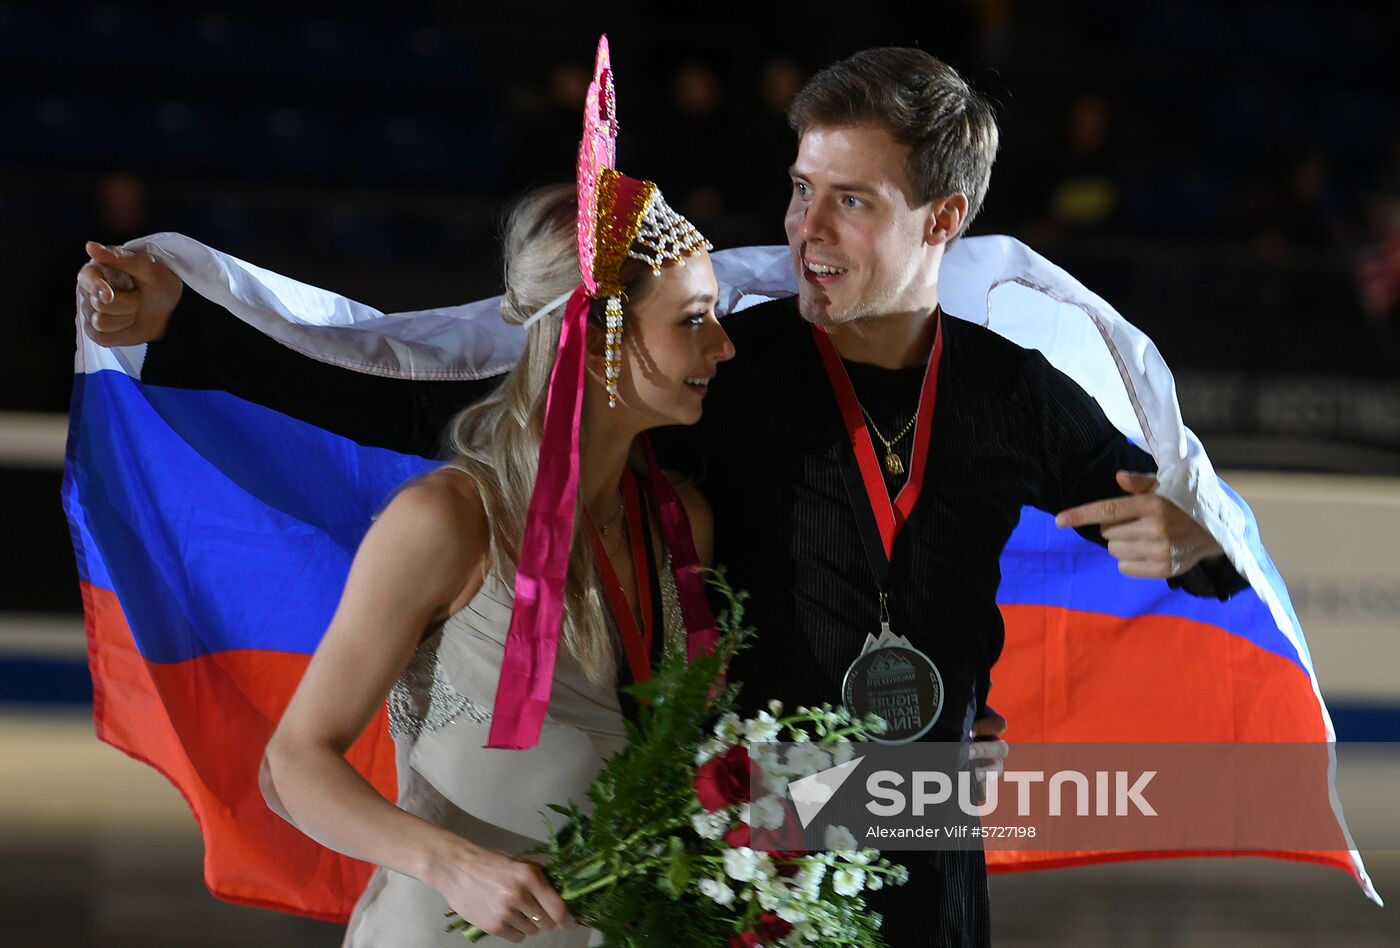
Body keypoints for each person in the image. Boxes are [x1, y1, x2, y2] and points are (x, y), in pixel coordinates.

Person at [75, 47, 1250, 948]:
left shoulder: (1017, 397)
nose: (804, 229)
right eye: (800, 189)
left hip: (918, 837)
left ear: (942, 220)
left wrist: (1193, 543)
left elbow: (1170, 531)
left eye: (850, 200)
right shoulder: (726, 365)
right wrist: (186, 336)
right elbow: (451, 396)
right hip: (742, 850)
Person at [219, 46, 732, 945]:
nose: (723, 346)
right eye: (693, 321)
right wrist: (447, 860)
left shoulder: (680, 527)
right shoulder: (447, 521)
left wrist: (932, 771)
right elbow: (291, 766)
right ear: (601, 342)